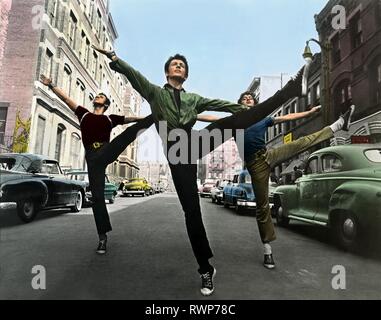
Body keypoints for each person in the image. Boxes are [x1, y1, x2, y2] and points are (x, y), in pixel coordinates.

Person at [92, 46, 304, 296]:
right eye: (175, 64)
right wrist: (115, 59)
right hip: (177, 153)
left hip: (193, 143)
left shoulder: (194, 99)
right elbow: (134, 75)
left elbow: (223, 105)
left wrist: (245, 110)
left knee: (232, 121)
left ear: (187, 75)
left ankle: (289, 89)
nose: (179, 66)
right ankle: (206, 268)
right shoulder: (155, 93)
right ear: (167, 71)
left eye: (182, 64)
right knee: (191, 211)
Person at [205, 90, 355, 270]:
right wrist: (191, 115)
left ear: (255, 103)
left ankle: (338, 125)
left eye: (250, 98)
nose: (247, 99)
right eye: (244, 98)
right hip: (256, 165)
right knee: (262, 207)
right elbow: (212, 118)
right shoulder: (235, 120)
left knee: (302, 143)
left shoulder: (263, 118)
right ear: (239, 103)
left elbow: (287, 117)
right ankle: (267, 251)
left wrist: (310, 112)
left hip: (269, 154)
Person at [39, 75, 154, 255]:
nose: (98, 96)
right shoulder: (84, 114)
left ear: (106, 104)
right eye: (98, 96)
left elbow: (130, 119)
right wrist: (52, 85)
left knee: (128, 134)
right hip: (93, 159)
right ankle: (102, 238)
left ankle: (157, 116)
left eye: (102, 96)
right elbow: (67, 99)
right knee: (98, 198)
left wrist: (148, 118)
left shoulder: (110, 119)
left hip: (106, 151)